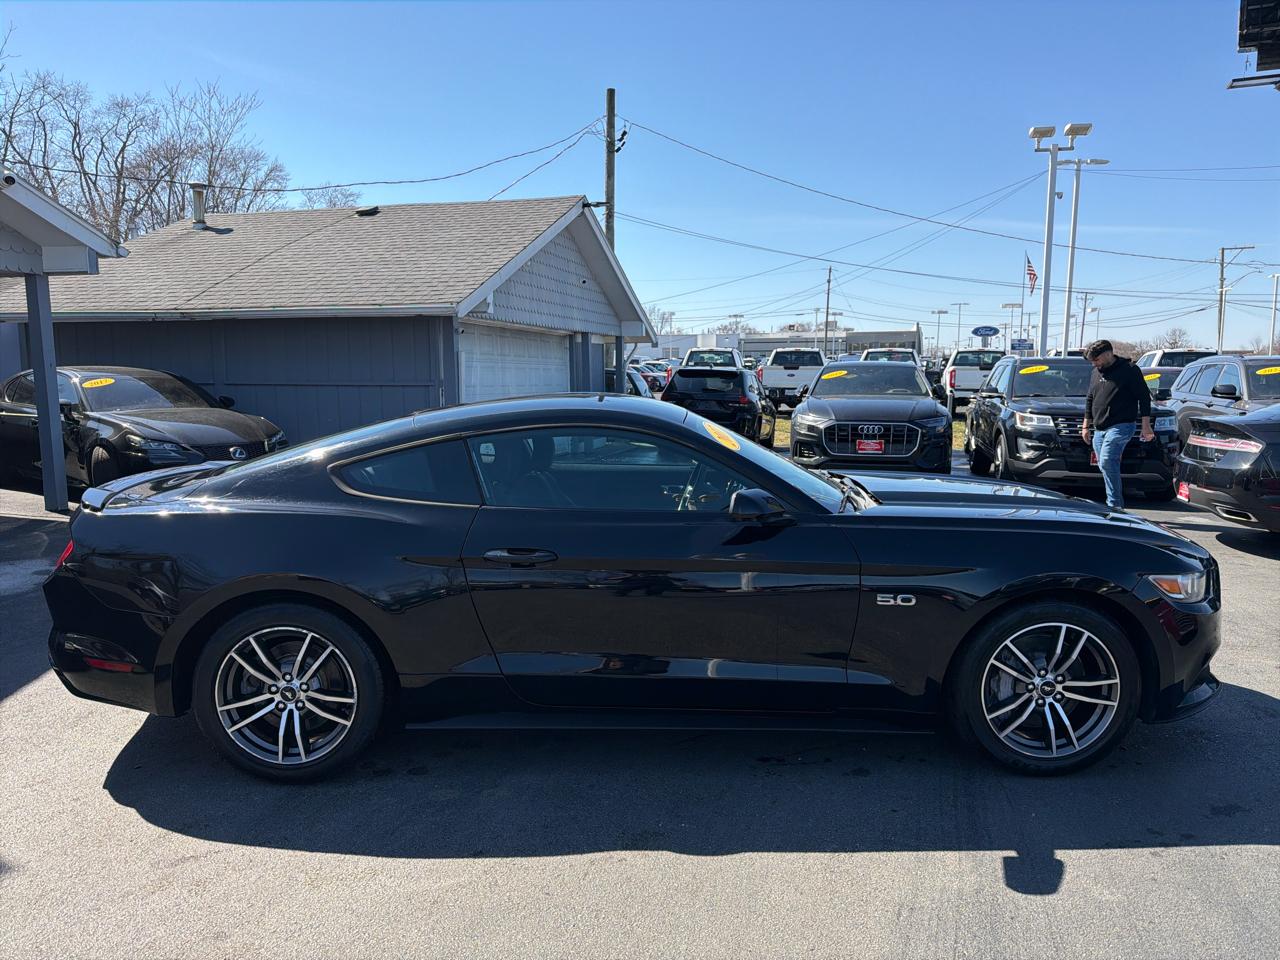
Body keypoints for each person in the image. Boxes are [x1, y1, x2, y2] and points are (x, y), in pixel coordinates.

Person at [1081, 339, 1153, 511]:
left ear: (1108, 354)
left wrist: (1146, 425)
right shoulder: (1095, 372)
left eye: (1096, 359)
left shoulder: (1129, 370)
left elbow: (1144, 397)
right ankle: (1114, 502)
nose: (1094, 363)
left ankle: (1115, 507)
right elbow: (1090, 398)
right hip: (1099, 428)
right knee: (1105, 465)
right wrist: (1085, 425)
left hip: (1121, 425)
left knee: (1107, 460)